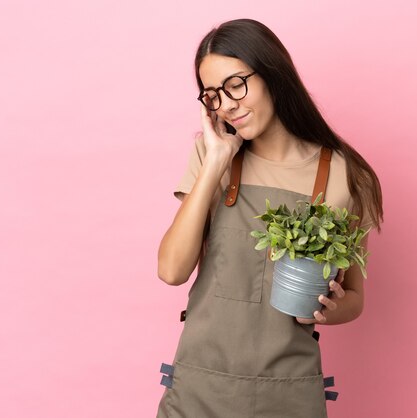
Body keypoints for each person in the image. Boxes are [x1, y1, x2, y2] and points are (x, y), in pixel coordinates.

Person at [156, 18, 383, 418]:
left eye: (235, 85)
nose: (226, 105)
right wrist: (215, 164)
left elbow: (355, 300)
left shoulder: (345, 176)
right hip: (200, 389)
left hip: (287, 394)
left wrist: (328, 307)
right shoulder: (211, 159)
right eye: (212, 95)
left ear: (273, 73)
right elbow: (172, 270)